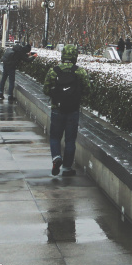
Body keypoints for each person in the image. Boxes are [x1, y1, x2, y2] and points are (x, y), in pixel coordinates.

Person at [43, 45, 91, 177]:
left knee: (54, 137)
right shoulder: (79, 71)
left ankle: (56, 157)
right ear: (75, 56)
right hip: (73, 110)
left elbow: (46, 89)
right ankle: (67, 168)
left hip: (57, 109)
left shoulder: (54, 71)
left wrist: (56, 94)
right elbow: (88, 89)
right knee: (70, 139)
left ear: (63, 55)